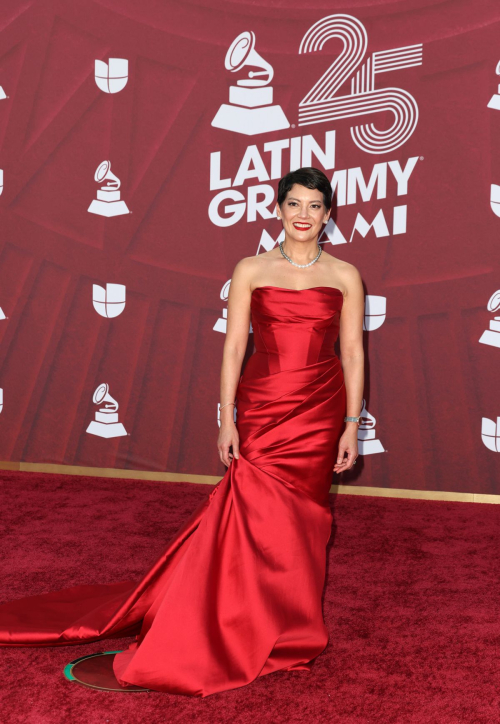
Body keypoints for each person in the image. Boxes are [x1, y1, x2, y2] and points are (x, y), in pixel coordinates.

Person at [0, 167, 364, 697]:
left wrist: (352, 426)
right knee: (252, 515)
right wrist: (226, 416)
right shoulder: (250, 269)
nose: (303, 215)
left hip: (319, 412)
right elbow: (234, 348)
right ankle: (237, 619)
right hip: (262, 407)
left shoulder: (346, 275)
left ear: (328, 214)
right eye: (294, 204)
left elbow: (352, 353)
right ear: (278, 210)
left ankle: (291, 630)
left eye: (314, 205)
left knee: (305, 523)